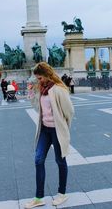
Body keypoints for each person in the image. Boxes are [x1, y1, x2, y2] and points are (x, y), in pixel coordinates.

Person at [25, 62, 74, 209]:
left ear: (47, 75)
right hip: (44, 130)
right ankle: (39, 197)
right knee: (38, 160)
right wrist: (32, 93)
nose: (38, 81)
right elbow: (37, 107)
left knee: (60, 161)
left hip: (57, 130)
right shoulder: (42, 88)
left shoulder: (59, 89)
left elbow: (69, 111)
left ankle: (62, 193)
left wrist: (63, 126)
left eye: (39, 78)